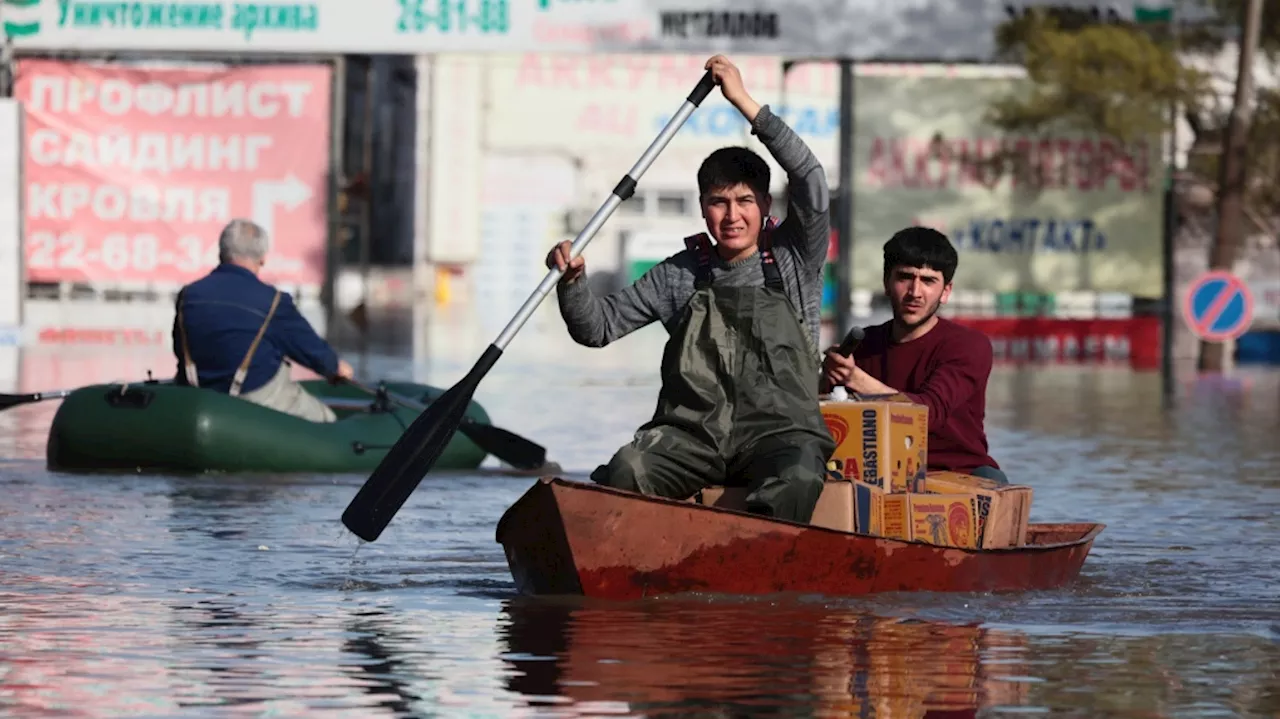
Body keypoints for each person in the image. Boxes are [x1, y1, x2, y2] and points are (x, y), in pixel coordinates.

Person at [546, 55, 835, 524]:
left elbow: (810, 178)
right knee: (629, 468)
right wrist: (573, 282)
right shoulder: (679, 273)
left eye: (744, 201)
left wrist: (742, 100)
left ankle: (757, 562)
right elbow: (595, 329)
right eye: (718, 203)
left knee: (799, 475)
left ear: (765, 205)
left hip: (780, 435)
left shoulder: (794, 255)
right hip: (693, 438)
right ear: (703, 209)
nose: (732, 216)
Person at [820, 227, 1007, 484]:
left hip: (958, 475)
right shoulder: (863, 345)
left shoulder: (969, 345)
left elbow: (927, 414)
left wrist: (854, 378)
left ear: (946, 291)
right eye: (905, 277)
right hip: (878, 475)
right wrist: (826, 377)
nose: (915, 292)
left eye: (928, 280)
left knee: (992, 480)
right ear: (887, 283)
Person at [172, 218, 354, 422]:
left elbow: (179, 349)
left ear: (221, 252)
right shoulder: (274, 302)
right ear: (262, 259)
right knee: (327, 419)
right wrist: (335, 367)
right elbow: (310, 350)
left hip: (198, 399)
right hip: (256, 401)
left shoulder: (187, 296)